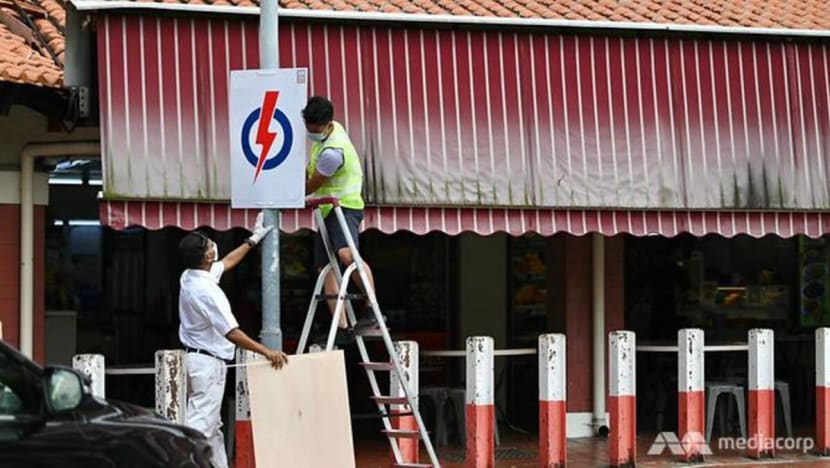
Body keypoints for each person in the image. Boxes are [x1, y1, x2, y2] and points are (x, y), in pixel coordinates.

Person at [178, 212, 288, 468]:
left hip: (198, 360)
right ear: (206, 256)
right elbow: (232, 332)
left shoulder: (190, 276)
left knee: (212, 429)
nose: (212, 246)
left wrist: (254, 240)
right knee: (198, 431)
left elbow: (226, 262)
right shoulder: (208, 292)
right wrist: (265, 351)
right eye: (208, 245)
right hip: (208, 364)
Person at [302, 95, 377, 343]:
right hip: (326, 210)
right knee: (325, 269)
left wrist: (283, 190)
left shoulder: (333, 153)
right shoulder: (332, 130)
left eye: (314, 129)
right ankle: (342, 328)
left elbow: (311, 185)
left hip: (345, 208)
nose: (311, 134)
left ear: (325, 124)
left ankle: (371, 308)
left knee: (346, 254)